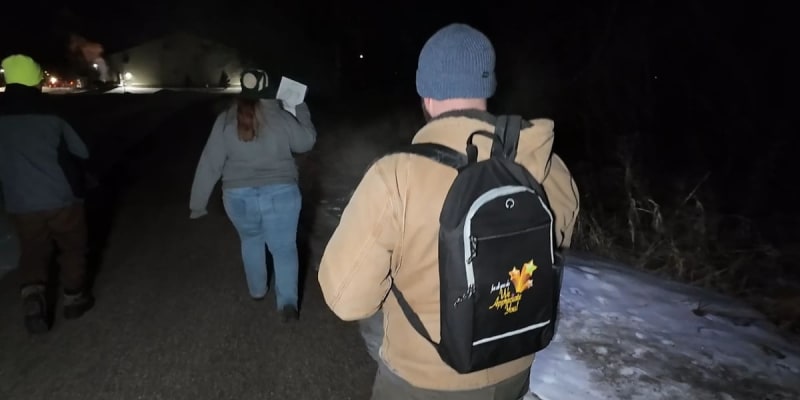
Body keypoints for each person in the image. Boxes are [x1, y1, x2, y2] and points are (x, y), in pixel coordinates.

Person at [318, 23, 580, 399]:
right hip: (513, 371)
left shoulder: (396, 176)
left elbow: (346, 300)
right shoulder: (546, 164)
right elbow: (555, 247)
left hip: (423, 383)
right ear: (487, 87)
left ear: (426, 94)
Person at [189, 69, 317, 322]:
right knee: (284, 248)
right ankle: (287, 303)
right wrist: (301, 108)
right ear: (269, 89)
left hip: (238, 198)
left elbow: (210, 162)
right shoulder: (281, 116)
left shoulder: (226, 119)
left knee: (251, 240)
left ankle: (257, 290)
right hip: (281, 194)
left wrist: (197, 203)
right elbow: (306, 142)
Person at [0, 54, 95, 334]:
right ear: (35, 79)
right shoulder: (54, 113)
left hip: (19, 201)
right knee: (72, 246)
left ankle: (33, 293)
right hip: (60, 197)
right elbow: (82, 151)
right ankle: (74, 299)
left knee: (33, 248)